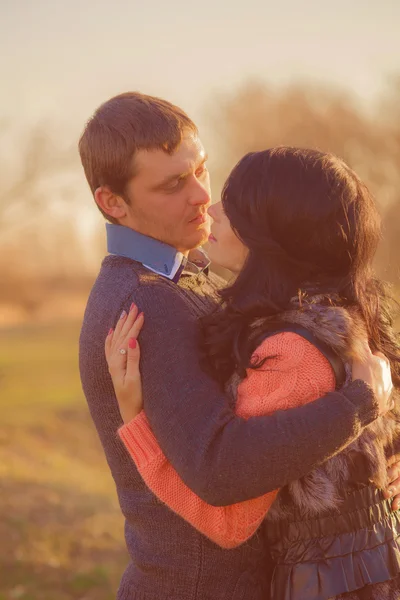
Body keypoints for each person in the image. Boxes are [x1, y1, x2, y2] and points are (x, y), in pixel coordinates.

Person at [79, 93, 398, 600]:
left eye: (200, 170)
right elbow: (222, 470)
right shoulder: (147, 305)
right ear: (113, 202)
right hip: (200, 586)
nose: (202, 196)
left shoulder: (189, 281)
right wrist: (360, 406)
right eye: (173, 184)